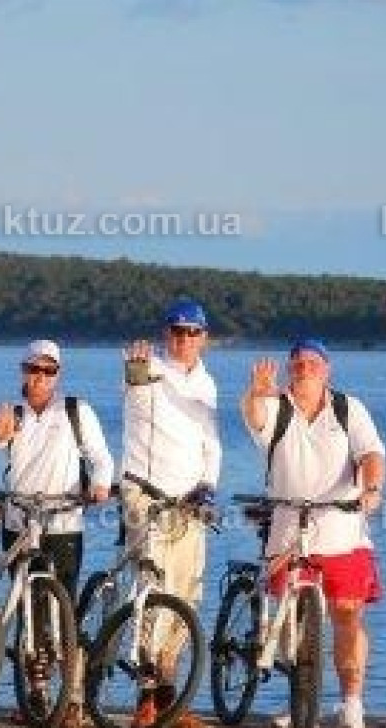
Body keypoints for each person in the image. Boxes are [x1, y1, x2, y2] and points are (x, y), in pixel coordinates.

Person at [240, 338, 386, 728]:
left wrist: (372, 489)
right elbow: (255, 417)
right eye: (298, 364)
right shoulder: (276, 406)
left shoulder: (348, 408)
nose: (304, 369)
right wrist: (256, 393)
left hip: (342, 532)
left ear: (327, 370)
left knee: (348, 615)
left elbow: (371, 454)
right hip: (289, 531)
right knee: (292, 624)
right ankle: (302, 699)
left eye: (312, 363)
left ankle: (351, 703)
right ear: (290, 370)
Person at [0, 339, 115, 728]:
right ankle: (37, 696)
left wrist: (100, 485)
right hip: (19, 522)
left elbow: (100, 457)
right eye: (34, 369)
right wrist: (0, 433)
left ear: (58, 374)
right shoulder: (12, 413)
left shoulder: (76, 411)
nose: (40, 376)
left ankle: (71, 698)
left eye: (48, 370)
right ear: (23, 371)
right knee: (31, 613)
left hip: (63, 523)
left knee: (63, 611)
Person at [120, 297, 222, 728]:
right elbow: (136, 395)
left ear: (203, 338)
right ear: (166, 334)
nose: (184, 339)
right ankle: (146, 700)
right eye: (177, 331)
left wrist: (208, 486)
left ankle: (169, 700)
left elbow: (211, 443)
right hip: (145, 495)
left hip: (189, 501)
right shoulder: (149, 369)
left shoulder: (207, 383)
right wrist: (135, 375)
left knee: (185, 598)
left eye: (192, 332)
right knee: (153, 592)